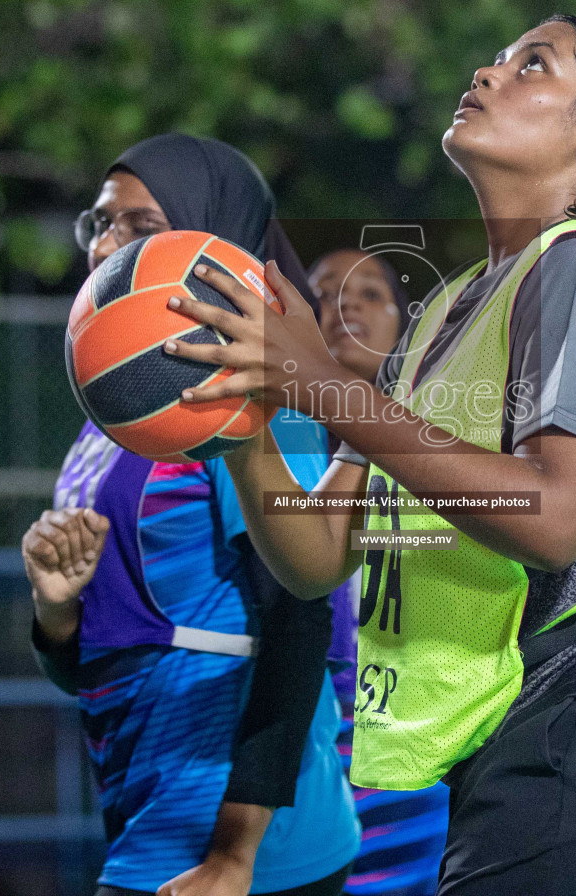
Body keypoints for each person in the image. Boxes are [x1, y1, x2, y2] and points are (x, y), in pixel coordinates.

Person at [164, 15, 576, 896]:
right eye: (500, 58)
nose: (488, 70)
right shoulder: (439, 320)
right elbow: (319, 557)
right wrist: (244, 425)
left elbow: (554, 519)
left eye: (532, 65)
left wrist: (321, 383)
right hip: (529, 739)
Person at [22, 133, 360, 896]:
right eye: (100, 224)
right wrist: (55, 610)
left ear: (212, 239)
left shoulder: (253, 399)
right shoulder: (119, 414)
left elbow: (302, 615)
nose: (109, 244)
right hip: (149, 818)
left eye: (142, 227)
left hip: (250, 842)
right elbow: (106, 657)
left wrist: (236, 854)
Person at [307, 248, 451, 896]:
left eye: (370, 292)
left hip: (413, 755)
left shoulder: (450, 441)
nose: (347, 306)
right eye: (326, 293)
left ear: (406, 323)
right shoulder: (261, 448)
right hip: (302, 754)